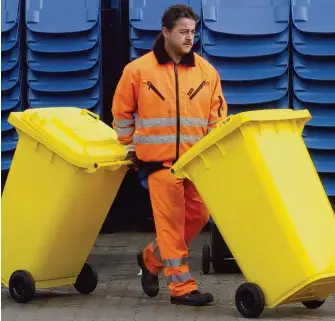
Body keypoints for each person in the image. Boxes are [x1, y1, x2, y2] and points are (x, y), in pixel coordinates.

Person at [112, 4, 227, 306]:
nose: (190, 38)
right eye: (183, 32)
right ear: (165, 32)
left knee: (199, 215)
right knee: (172, 224)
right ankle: (182, 288)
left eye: (193, 32)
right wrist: (128, 146)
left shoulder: (206, 72)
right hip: (158, 163)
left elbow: (216, 117)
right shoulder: (138, 71)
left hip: (195, 163)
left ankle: (151, 259)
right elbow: (121, 113)